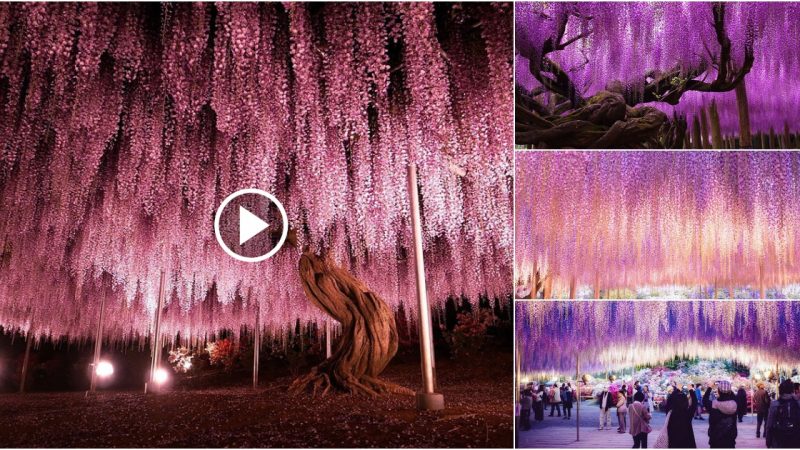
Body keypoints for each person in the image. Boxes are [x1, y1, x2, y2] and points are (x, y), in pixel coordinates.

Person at [765, 379, 800, 448]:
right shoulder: (798, 404)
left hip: (779, 439)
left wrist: (768, 440)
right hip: (796, 438)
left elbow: (769, 425)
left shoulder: (775, 404)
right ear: (792, 390)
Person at [704, 381, 738, 448]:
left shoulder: (712, 405)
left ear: (718, 391)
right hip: (730, 440)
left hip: (715, 440)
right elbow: (733, 396)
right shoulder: (735, 404)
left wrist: (710, 387)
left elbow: (704, 399)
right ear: (729, 391)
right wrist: (727, 389)